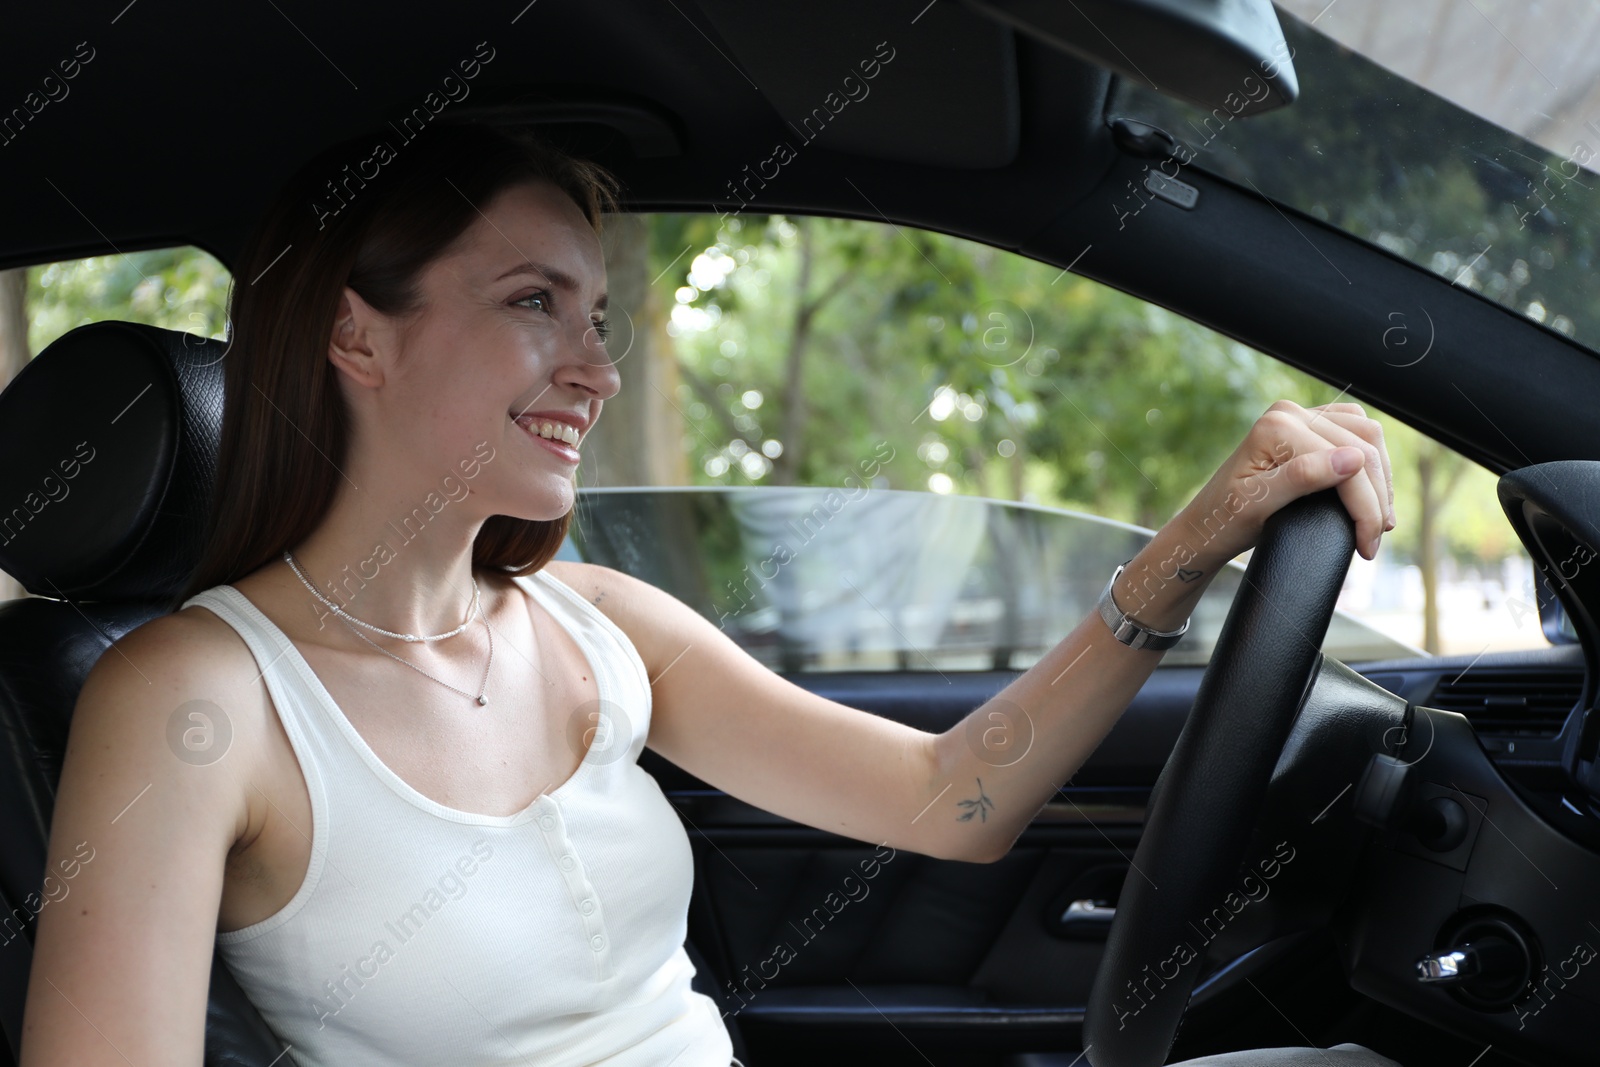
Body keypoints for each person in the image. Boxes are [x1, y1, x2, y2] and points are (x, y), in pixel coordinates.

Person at [18, 120, 1398, 1066]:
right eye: (531, 303)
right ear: (353, 336)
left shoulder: (596, 622)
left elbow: (950, 801)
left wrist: (1193, 548)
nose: (597, 369)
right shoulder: (195, 697)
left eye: (597, 318)